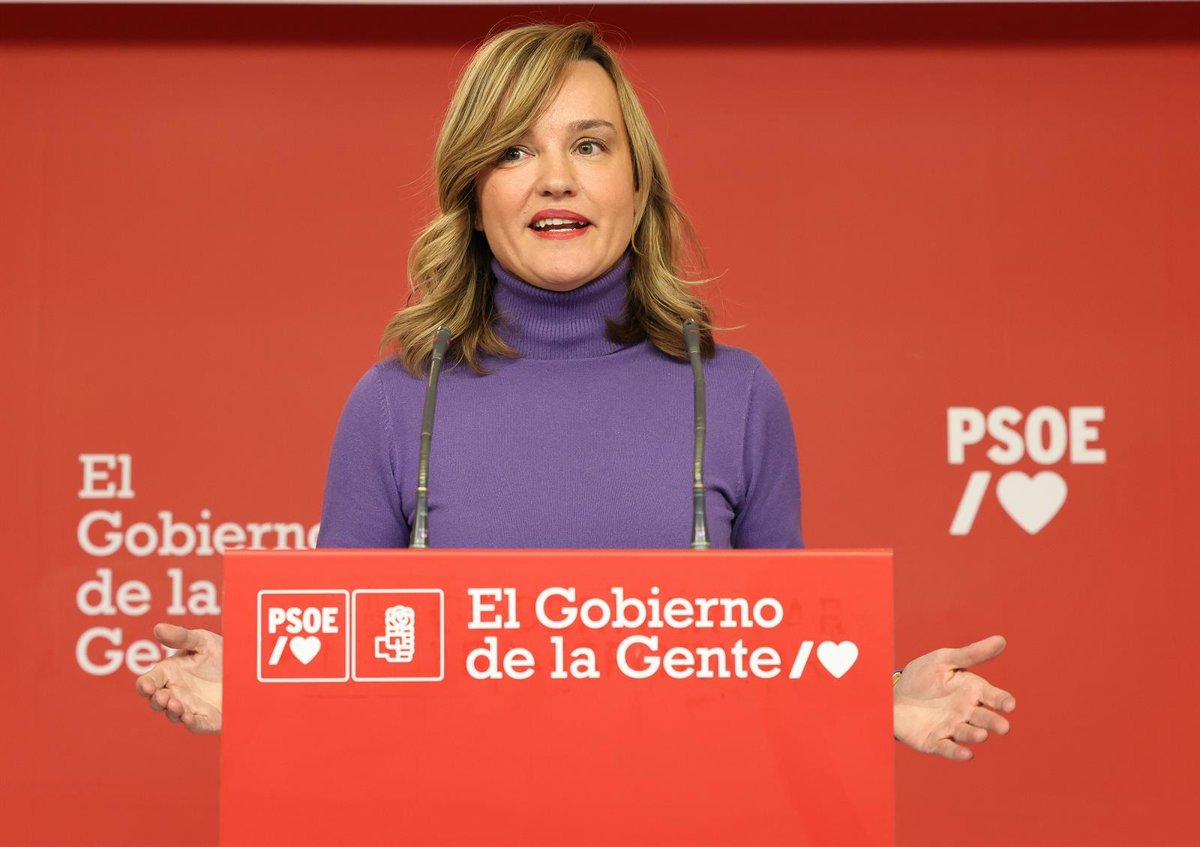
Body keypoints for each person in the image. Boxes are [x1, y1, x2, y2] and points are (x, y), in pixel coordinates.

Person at [136, 22, 1015, 761]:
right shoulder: (395, 403)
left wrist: (881, 694)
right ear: (474, 192)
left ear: (637, 184)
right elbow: (339, 668)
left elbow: (782, 660)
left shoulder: (736, 395)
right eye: (515, 149)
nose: (556, 176)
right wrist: (259, 687)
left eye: (590, 145)